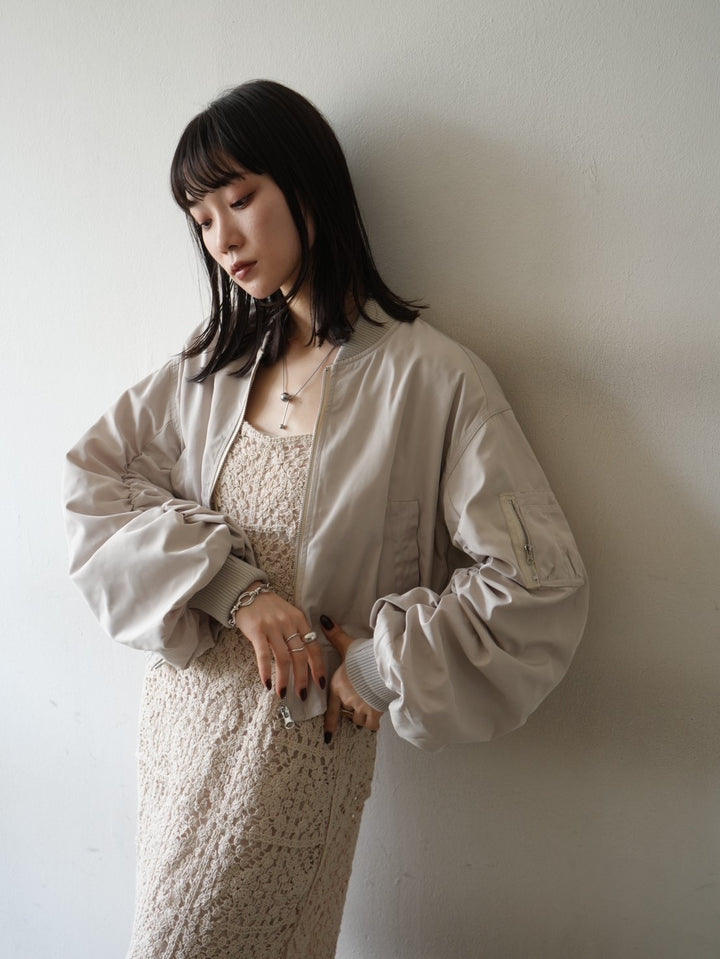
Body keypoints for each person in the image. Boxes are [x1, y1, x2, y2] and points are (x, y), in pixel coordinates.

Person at [64, 80, 588, 959]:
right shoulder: (214, 366)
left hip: (297, 758)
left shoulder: (432, 378)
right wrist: (235, 590)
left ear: (308, 185)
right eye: (200, 218)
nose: (221, 239)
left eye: (240, 200)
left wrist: (381, 667)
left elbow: (539, 583)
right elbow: (95, 482)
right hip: (184, 730)